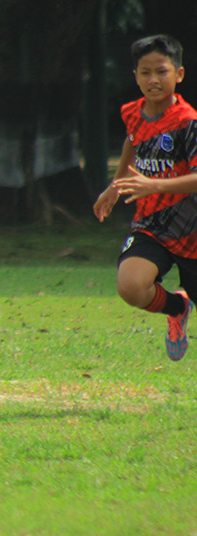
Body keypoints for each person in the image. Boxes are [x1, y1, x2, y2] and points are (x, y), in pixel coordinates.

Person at [93, 34, 197, 361]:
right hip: (151, 224)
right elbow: (133, 140)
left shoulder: (188, 123)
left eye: (161, 71)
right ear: (135, 76)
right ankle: (177, 307)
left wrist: (154, 186)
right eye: (145, 72)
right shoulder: (133, 112)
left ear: (178, 74)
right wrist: (116, 183)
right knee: (131, 286)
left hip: (191, 229)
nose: (153, 80)